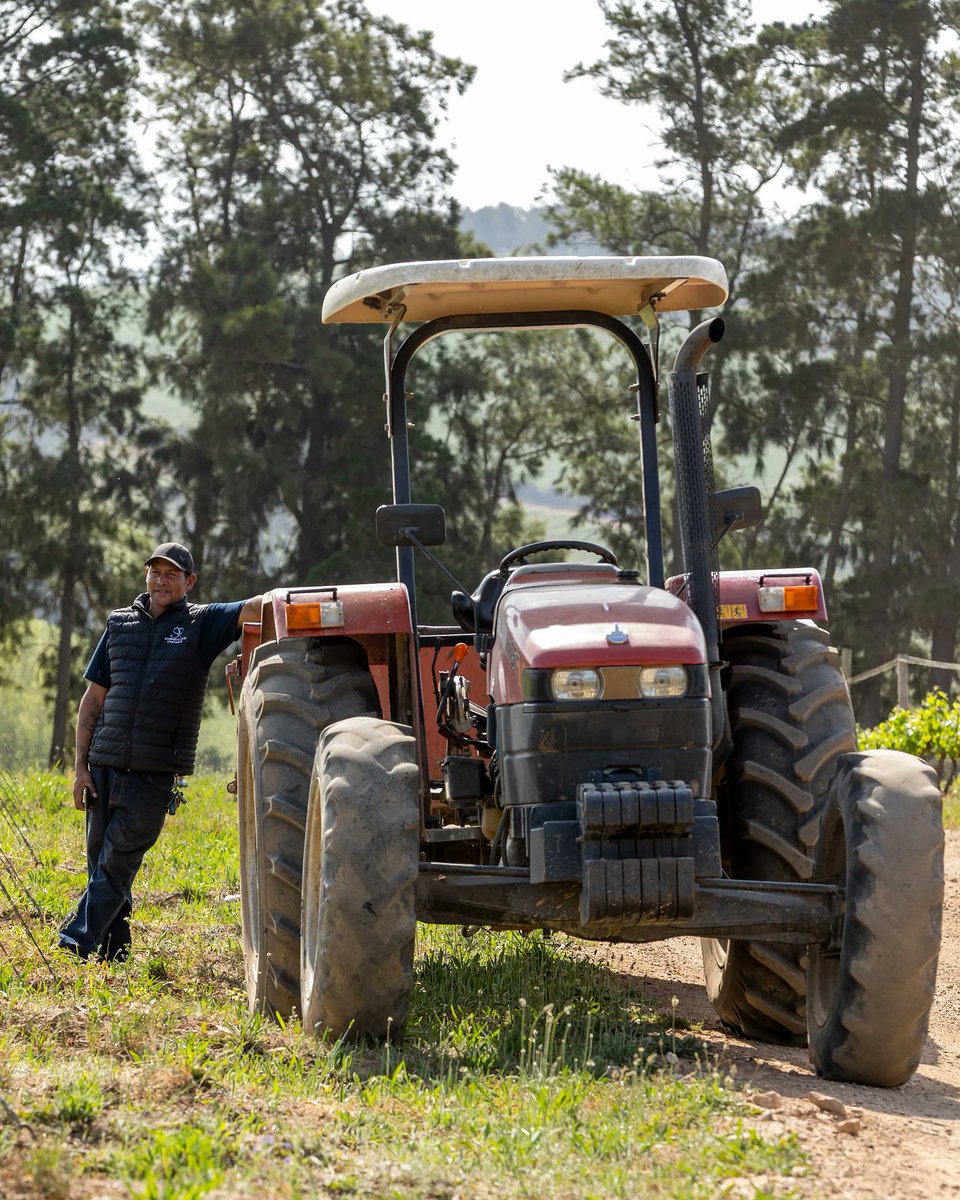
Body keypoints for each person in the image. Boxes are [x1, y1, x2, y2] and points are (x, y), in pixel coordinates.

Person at [59, 542, 263, 962]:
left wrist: (295, 602)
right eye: (155, 571)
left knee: (114, 864)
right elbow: (92, 700)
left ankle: (75, 943)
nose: (162, 580)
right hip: (103, 767)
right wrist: (80, 768)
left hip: (153, 775)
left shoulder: (200, 623)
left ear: (189, 582)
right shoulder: (119, 625)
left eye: (172, 574)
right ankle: (114, 951)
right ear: (146, 576)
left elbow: (252, 608)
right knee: (102, 866)